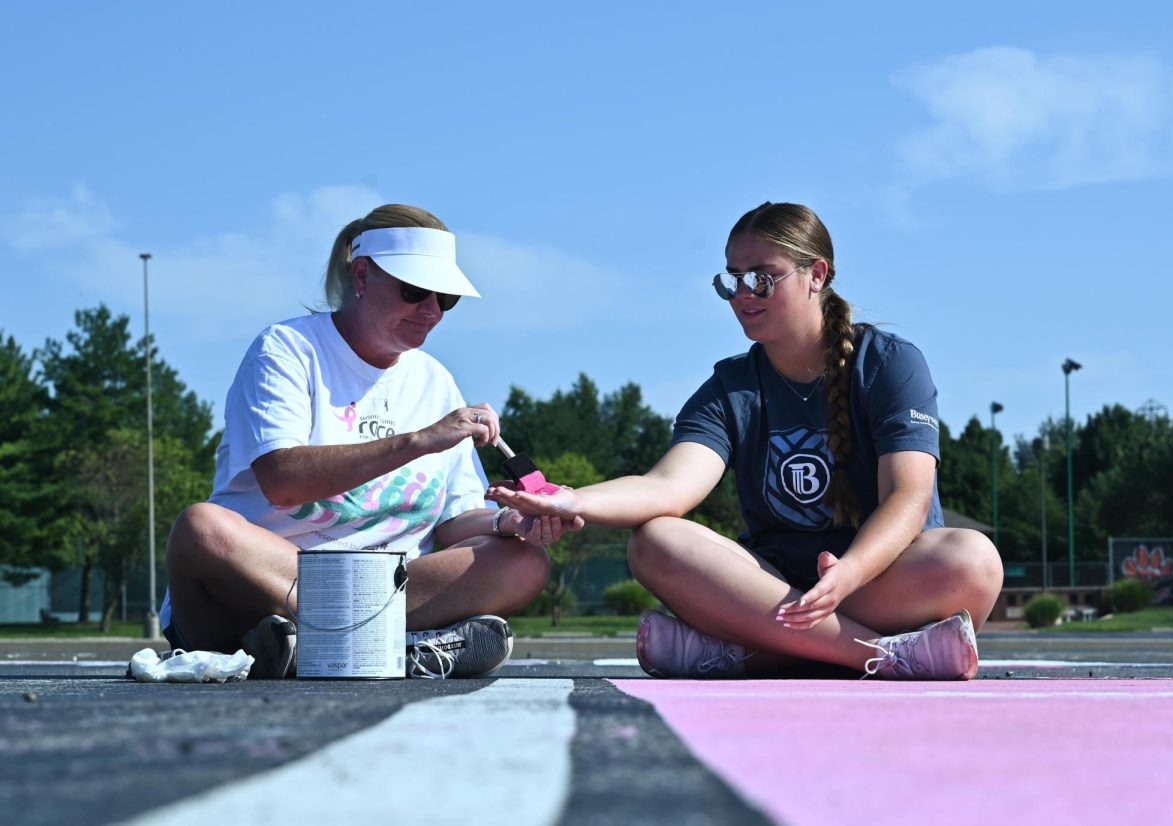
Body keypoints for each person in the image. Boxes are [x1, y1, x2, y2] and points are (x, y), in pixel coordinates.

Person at [489, 202, 1003, 680]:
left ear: (816, 275)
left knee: (971, 560)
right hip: (770, 586)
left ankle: (748, 650)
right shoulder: (729, 386)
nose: (741, 295)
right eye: (730, 279)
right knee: (655, 541)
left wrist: (847, 574)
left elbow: (908, 498)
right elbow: (668, 487)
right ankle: (882, 655)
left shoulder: (890, 362)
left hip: (878, 580)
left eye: (761, 278)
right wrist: (573, 498)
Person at [162, 204, 578, 679]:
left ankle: (311, 648)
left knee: (522, 562)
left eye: (446, 299)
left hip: (384, 590)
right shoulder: (287, 350)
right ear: (361, 275)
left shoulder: (435, 380)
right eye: (415, 291)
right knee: (201, 529)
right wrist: (419, 440)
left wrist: (513, 519)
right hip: (268, 578)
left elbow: (457, 520)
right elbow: (282, 481)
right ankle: (400, 647)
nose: (432, 311)